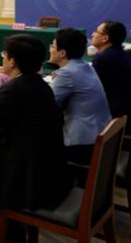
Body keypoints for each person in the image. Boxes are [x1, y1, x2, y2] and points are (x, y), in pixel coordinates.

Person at [0, 35, 69, 242]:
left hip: (30, 181)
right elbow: (15, 114)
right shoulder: (39, 84)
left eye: (4, 54)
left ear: (12, 62)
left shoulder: (14, 89)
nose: (3, 58)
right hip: (51, 171)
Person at [48, 28, 111, 164]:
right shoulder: (87, 66)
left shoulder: (67, 74)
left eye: (52, 46)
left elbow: (48, 106)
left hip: (82, 146)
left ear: (62, 53)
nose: (50, 49)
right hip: (101, 136)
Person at [90, 21, 131, 132]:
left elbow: (91, 90)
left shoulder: (103, 59)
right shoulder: (119, 52)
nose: (92, 34)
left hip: (115, 116)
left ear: (105, 38)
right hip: (130, 110)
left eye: (96, 31)